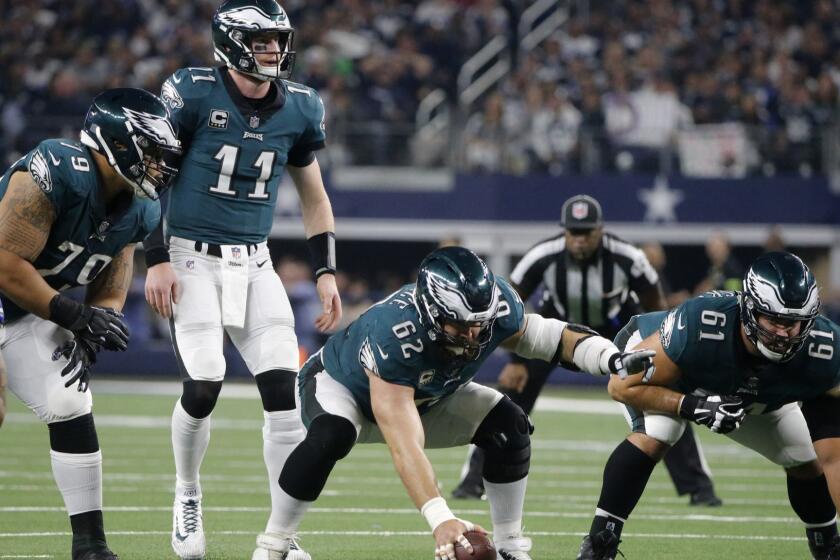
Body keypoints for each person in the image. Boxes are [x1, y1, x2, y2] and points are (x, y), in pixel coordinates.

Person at [260, 246, 654, 560]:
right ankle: (275, 542)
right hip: (341, 387)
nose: (474, 334)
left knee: (510, 424)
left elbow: (548, 338)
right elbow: (403, 442)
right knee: (333, 433)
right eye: (461, 325)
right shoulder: (396, 335)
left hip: (429, 394)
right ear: (432, 312)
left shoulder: (491, 308)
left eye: (479, 323)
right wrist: (440, 519)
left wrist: (610, 358)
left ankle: (510, 545)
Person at [141, 2, 342, 559]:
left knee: (284, 395)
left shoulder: (300, 107)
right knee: (204, 382)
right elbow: (149, 175)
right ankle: (186, 492)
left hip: (254, 261)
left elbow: (315, 198)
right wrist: (154, 255)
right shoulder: (193, 92)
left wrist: (325, 271)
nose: (274, 52)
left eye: (278, 41)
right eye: (262, 42)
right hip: (189, 255)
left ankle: (281, 534)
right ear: (232, 44)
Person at [0, 88, 182, 560]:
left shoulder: (141, 207)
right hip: (12, 286)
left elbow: (112, 273)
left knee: (68, 400)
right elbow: (4, 262)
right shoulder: (57, 168)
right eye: (154, 152)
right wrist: (72, 314)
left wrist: (101, 318)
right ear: (118, 143)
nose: (161, 165)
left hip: (30, 304)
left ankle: (91, 546)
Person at [453, 194, 722, 507]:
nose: (579, 241)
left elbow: (655, 306)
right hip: (556, 331)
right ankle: (473, 481)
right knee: (505, 401)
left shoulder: (628, 257)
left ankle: (699, 487)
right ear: (564, 232)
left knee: (659, 397)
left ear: (600, 230)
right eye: (573, 233)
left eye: (586, 233)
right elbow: (505, 307)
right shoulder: (542, 255)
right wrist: (515, 360)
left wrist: (660, 350)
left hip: (616, 329)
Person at [577, 252, 840, 560]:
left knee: (803, 458)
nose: (783, 333)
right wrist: (694, 406)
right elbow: (621, 386)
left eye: (793, 323)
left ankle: (828, 547)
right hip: (665, 366)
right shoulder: (702, 323)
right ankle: (599, 544)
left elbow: (833, 454)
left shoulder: (826, 348)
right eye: (773, 320)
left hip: (750, 391)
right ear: (750, 310)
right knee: (660, 432)